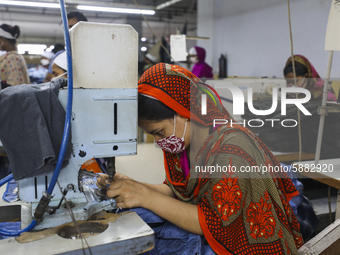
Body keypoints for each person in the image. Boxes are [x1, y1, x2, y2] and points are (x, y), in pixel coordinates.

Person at [97, 63, 304, 254]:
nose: (159, 142)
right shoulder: (183, 146)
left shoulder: (231, 148)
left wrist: (146, 197)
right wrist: (132, 186)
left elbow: (216, 222)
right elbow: (176, 190)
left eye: (159, 132)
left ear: (183, 110)